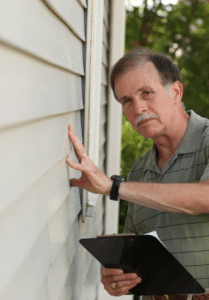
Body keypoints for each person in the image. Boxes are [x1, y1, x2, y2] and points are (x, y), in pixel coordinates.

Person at [65, 47, 209, 300]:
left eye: (147, 93)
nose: (138, 108)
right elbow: (135, 253)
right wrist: (118, 279)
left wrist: (114, 187)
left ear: (175, 91)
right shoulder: (139, 170)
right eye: (127, 100)